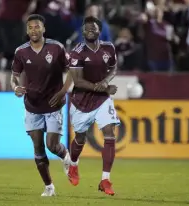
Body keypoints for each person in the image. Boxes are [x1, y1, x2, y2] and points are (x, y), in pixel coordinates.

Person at [10, 14, 72, 197]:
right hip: (32, 105)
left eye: (37, 27)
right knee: (38, 147)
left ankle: (66, 157)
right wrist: (15, 87)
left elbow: (72, 72)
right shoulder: (21, 52)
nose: (34, 30)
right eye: (30, 27)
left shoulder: (56, 47)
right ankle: (49, 187)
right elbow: (14, 76)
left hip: (53, 104)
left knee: (52, 145)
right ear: (27, 30)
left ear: (43, 29)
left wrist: (63, 92)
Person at [67, 16, 119, 196]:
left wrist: (105, 82)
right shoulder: (77, 52)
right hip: (81, 100)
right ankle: (73, 165)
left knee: (110, 133)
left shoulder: (108, 48)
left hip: (102, 99)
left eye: (94, 28)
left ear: (99, 30)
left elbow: (113, 68)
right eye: (87, 28)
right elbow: (78, 81)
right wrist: (102, 86)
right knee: (80, 138)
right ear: (82, 31)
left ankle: (105, 180)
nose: (90, 30)